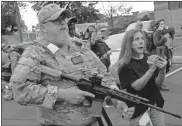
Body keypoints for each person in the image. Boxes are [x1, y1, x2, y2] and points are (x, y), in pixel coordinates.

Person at [10, 4, 134, 126]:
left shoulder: (81, 47)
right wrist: (62, 94)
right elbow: (20, 90)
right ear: (43, 28)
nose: (63, 23)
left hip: (94, 121)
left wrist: (116, 100)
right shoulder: (35, 52)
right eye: (57, 21)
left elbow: (104, 75)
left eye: (64, 19)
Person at [117, 29, 167, 126]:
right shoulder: (125, 65)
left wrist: (162, 70)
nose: (141, 42)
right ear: (129, 44)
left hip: (155, 104)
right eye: (136, 39)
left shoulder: (149, 57)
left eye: (142, 39)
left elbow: (158, 83)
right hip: (138, 109)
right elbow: (137, 86)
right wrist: (151, 69)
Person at [152, 19, 169, 91]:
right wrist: (163, 39)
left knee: (164, 68)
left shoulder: (161, 32)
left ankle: (159, 83)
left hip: (163, 52)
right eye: (161, 24)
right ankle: (159, 84)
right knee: (161, 68)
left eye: (163, 24)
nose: (163, 25)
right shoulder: (156, 33)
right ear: (158, 25)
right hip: (158, 52)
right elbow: (156, 44)